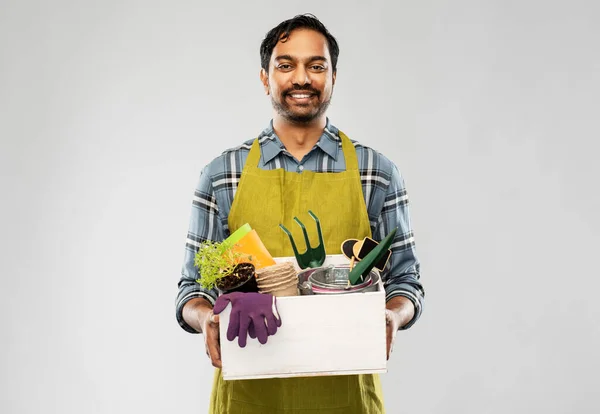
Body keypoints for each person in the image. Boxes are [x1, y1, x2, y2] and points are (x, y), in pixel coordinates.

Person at [175, 14, 425, 413]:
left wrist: (392, 316)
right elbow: (193, 288)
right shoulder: (223, 175)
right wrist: (206, 318)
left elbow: (406, 281)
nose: (302, 78)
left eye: (316, 65)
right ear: (265, 78)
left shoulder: (375, 172)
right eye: (286, 65)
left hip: (347, 396)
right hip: (248, 396)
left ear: (333, 76)